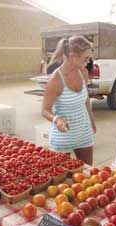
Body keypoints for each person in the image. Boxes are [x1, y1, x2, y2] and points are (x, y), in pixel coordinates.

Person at [42, 36, 96, 165]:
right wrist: (57, 119)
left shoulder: (83, 73)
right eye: (86, 58)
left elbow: (86, 99)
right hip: (63, 136)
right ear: (73, 56)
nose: (88, 61)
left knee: (87, 173)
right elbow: (45, 110)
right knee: (61, 178)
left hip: (84, 132)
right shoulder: (56, 80)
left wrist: (92, 121)